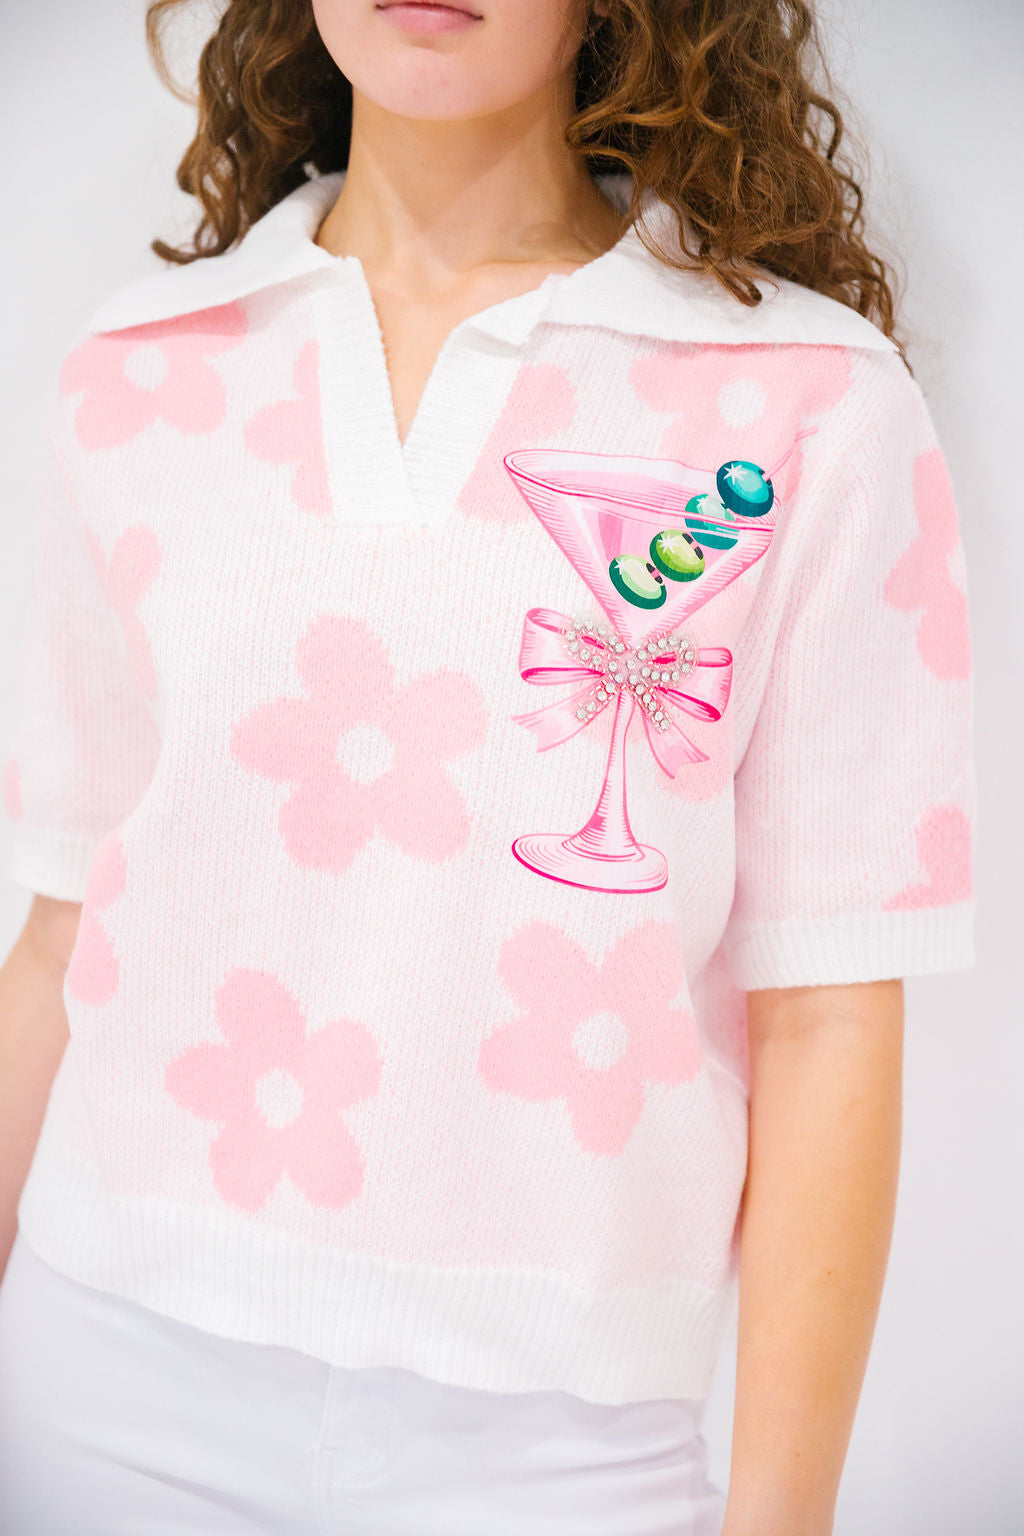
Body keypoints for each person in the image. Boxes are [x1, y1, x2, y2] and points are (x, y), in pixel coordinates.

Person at [0, 1, 975, 1532]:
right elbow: (62, 931)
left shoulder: (805, 400)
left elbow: (832, 1010)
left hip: (561, 1447)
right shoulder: (137, 373)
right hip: (99, 1375)